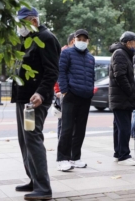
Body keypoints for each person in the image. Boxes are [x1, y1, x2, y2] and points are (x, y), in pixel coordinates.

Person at [12, 7, 60, 200]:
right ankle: (33, 179)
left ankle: (43, 187)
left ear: (33, 21)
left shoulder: (46, 38)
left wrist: (41, 92)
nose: (18, 28)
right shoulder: (27, 40)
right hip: (23, 97)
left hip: (35, 100)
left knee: (32, 139)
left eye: (21, 24)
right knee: (24, 141)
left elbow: (52, 71)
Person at [57, 29, 95, 171]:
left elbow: (92, 76)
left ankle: (75, 157)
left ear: (88, 41)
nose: (82, 41)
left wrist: (90, 91)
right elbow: (61, 72)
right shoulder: (66, 53)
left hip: (85, 96)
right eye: (79, 39)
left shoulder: (91, 57)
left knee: (80, 129)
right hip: (71, 95)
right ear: (74, 39)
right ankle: (62, 159)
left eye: (85, 39)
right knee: (67, 128)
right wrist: (65, 90)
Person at [109, 31, 135, 166]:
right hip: (122, 98)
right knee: (124, 127)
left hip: (121, 98)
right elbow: (120, 76)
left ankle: (118, 153)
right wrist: (131, 91)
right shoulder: (120, 54)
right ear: (128, 43)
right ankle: (124, 155)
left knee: (119, 126)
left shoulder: (123, 53)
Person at [54, 32, 75, 139]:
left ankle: (65, 143)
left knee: (66, 119)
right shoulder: (64, 53)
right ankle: (62, 143)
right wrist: (58, 90)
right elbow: (58, 72)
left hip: (68, 91)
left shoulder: (70, 53)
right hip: (63, 92)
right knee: (63, 120)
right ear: (72, 41)